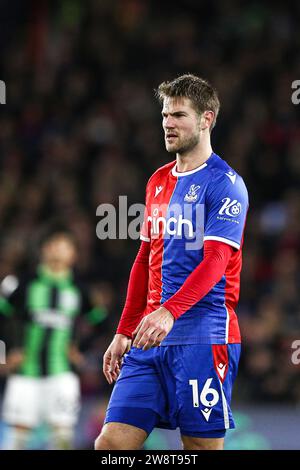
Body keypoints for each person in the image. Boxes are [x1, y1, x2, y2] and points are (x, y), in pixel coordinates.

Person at [95, 74, 249, 451]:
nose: (168, 123)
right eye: (165, 114)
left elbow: (215, 260)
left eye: (179, 114)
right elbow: (146, 257)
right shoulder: (158, 181)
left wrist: (170, 311)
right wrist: (123, 329)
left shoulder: (226, 184)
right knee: (111, 445)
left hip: (203, 333)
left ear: (206, 119)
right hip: (149, 337)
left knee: (199, 447)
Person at [0, 229, 108, 449]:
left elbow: (101, 322)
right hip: (24, 373)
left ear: (74, 254)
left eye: (64, 245)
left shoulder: (81, 290)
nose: (58, 249)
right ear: (42, 249)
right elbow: (2, 317)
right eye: (53, 244)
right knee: (17, 438)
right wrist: (5, 352)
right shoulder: (20, 283)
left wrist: (81, 350)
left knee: (61, 436)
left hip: (62, 374)